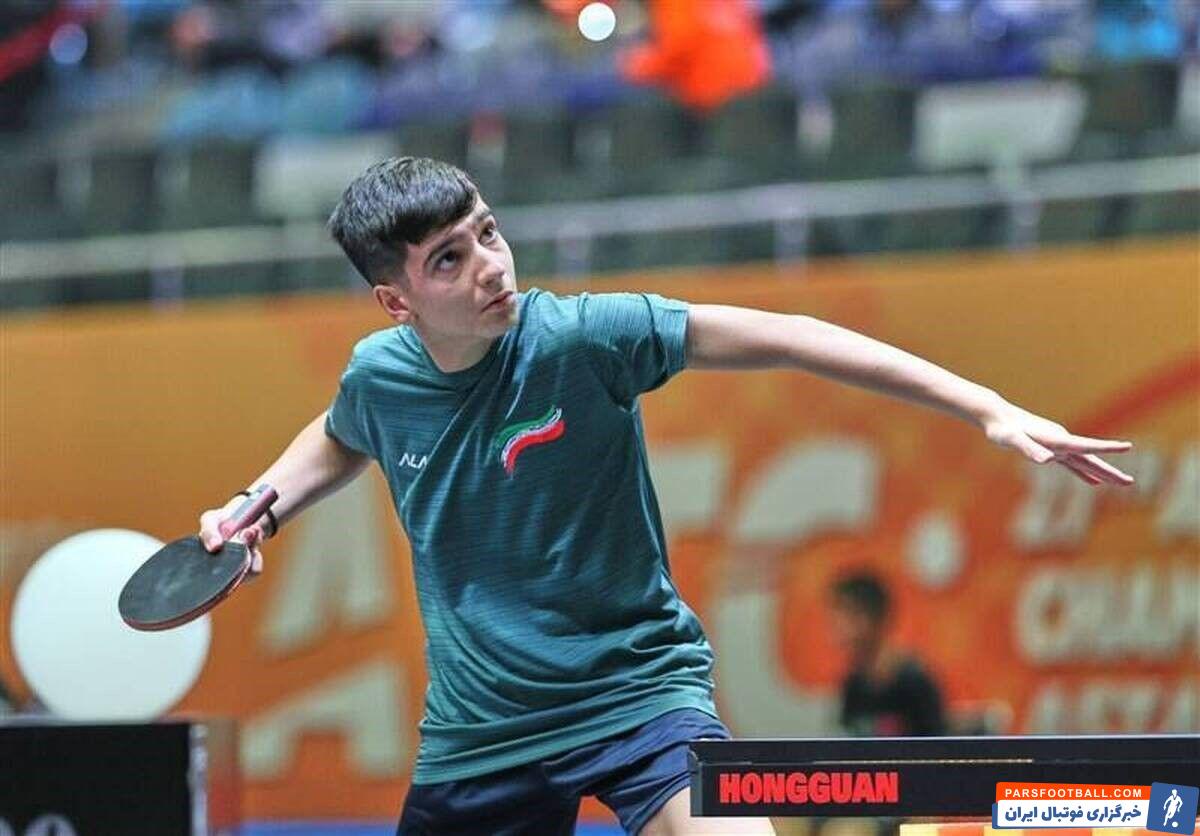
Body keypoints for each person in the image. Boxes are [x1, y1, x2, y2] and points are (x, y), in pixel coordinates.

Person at [197, 157, 1134, 836]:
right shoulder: (381, 376)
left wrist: (985, 407)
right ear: (396, 302)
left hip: (639, 695)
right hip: (482, 730)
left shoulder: (584, 338)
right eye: (448, 259)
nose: (489, 264)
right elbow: (340, 434)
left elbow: (792, 335)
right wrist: (258, 505)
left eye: (487, 231)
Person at [831, 571, 946, 737]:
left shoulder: (915, 682)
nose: (837, 626)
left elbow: (935, 745)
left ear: (869, 618)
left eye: (846, 614)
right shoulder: (853, 684)